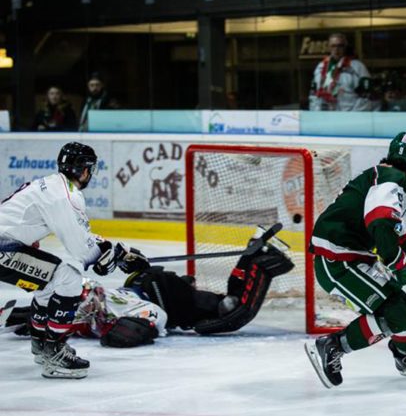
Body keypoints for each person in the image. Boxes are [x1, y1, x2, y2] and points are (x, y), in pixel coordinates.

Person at [304, 132, 406, 388]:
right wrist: (397, 264)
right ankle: (333, 345)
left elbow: (393, 235)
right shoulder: (394, 181)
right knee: (398, 313)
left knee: (404, 310)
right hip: (337, 260)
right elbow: (380, 224)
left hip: (346, 256)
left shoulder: (382, 176)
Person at [0, 142, 147, 378]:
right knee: (69, 277)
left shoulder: (54, 185)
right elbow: (81, 249)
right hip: (3, 249)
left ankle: (41, 343)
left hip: (7, 246)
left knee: (50, 280)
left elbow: (81, 238)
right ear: (84, 170)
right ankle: (54, 352)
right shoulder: (66, 195)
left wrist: (116, 251)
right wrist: (114, 256)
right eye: (90, 168)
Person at [3, 228, 295, 347]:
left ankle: (260, 258)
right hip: (150, 289)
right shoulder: (83, 304)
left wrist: (104, 327)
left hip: (155, 293)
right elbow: (27, 315)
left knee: (227, 312)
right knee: (225, 308)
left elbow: (123, 335)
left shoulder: (89, 306)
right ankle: (253, 254)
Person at [309, 33, 373, 111]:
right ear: (329, 47)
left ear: (345, 47)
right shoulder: (321, 67)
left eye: (340, 46)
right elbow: (314, 94)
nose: (336, 49)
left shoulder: (358, 67)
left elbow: (366, 96)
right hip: (326, 116)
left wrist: (353, 117)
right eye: (333, 46)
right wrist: (317, 113)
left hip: (349, 116)